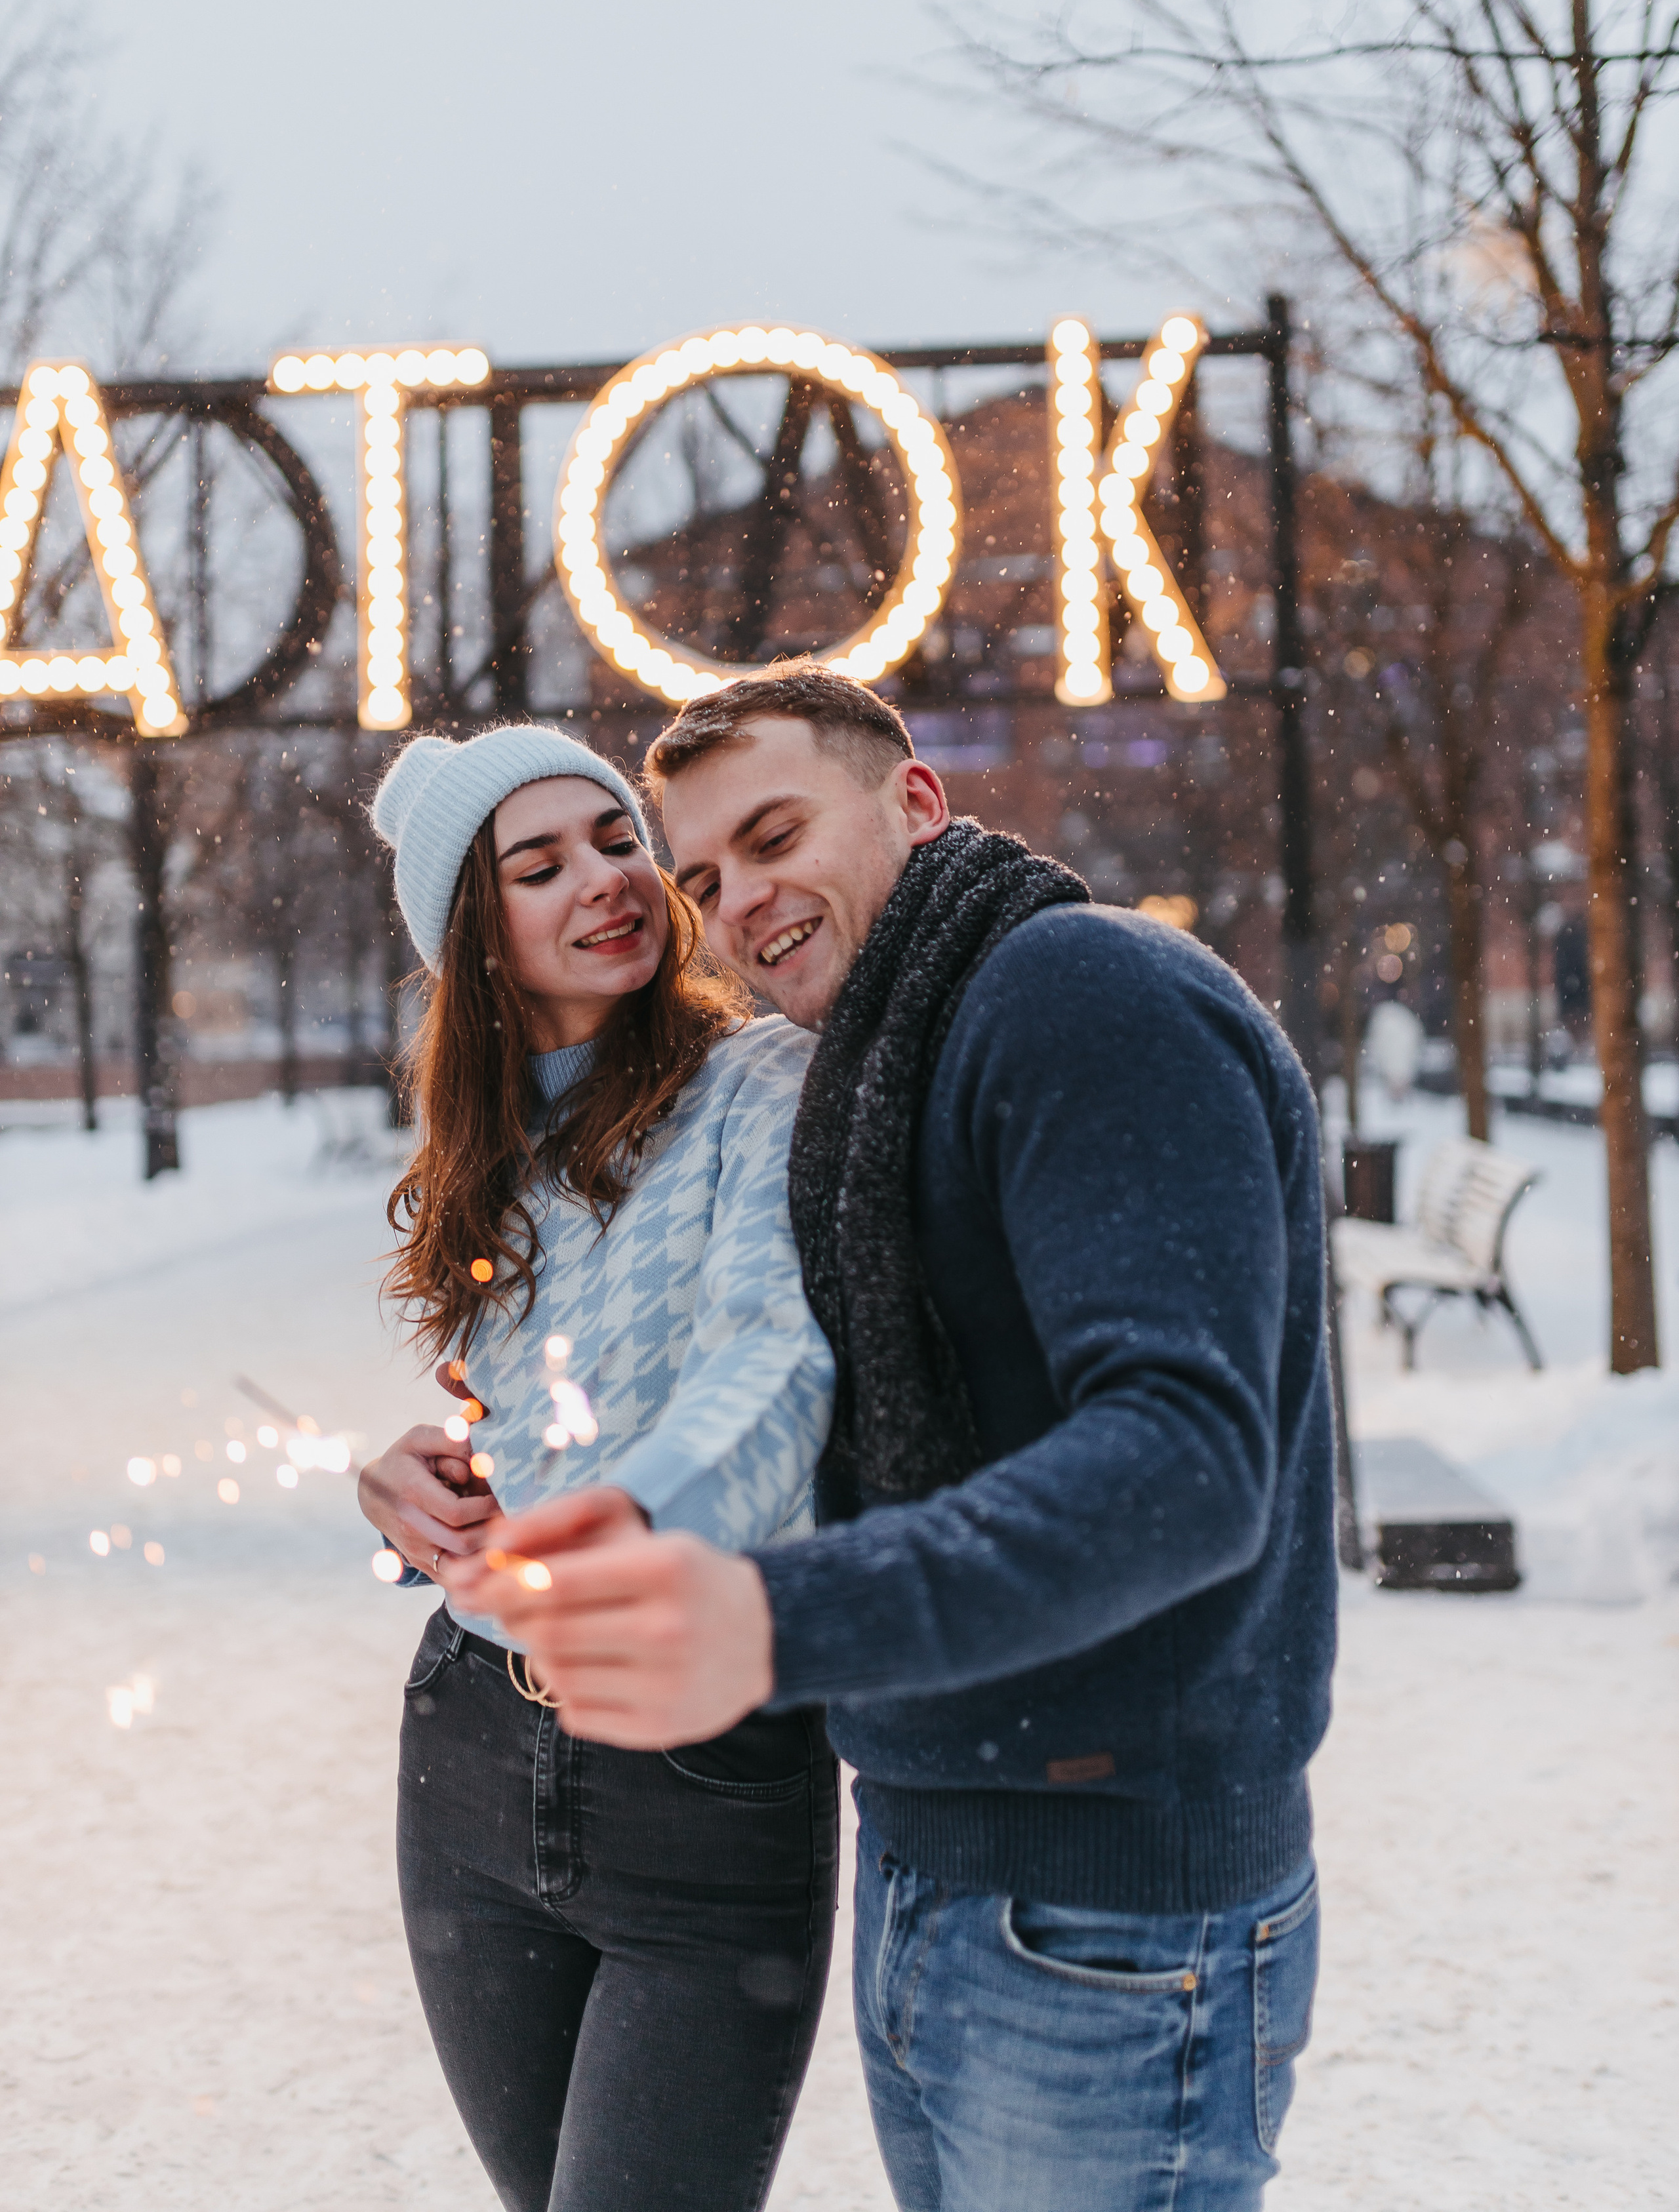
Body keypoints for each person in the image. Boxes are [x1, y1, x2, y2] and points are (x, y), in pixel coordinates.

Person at [455, 667, 1339, 2212]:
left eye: (775, 832)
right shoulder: (886, 1062)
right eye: (707, 878)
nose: (738, 903)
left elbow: (1189, 1464)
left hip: (1112, 1913)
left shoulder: (1080, 994)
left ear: (914, 801)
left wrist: (780, 1612)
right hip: (945, 1857)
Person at [356, 721, 838, 2212]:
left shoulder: (760, 1082)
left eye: (617, 838)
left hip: (701, 1774)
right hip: (469, 1757)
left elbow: (779, 1364)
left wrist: (621, 1523)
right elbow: (525, 1421)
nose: (607, 879)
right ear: (474, 935)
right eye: (541, 863)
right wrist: (409, 1495)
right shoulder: (484, 1155)